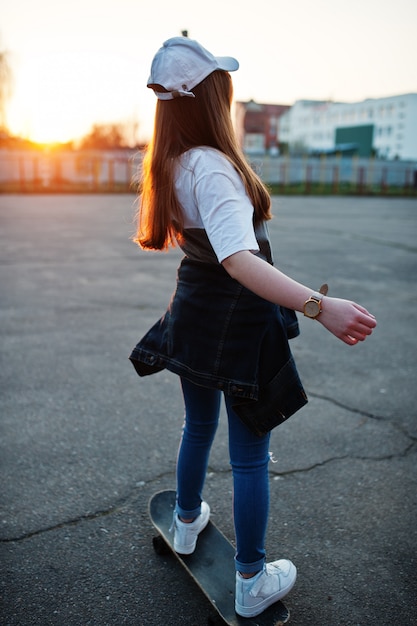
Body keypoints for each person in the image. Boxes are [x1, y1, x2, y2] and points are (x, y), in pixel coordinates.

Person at [129, 36, 377, 618]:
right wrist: (322, 307)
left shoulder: (173, 159)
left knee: (198, 424)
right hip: (235, 322)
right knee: (248, 453)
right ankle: (250, 580)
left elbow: (206, 248)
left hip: (194, 307)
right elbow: (241, 261)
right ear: (213, 97)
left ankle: (187, 525)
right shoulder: (215, 168)